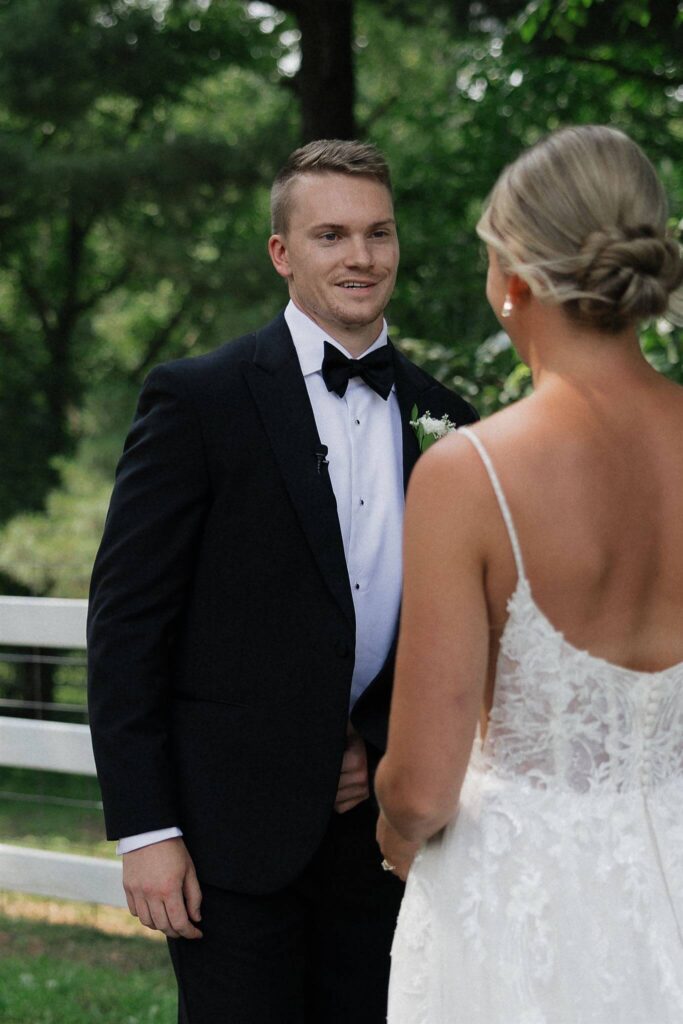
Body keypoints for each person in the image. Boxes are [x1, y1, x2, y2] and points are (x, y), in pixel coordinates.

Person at [87, 139, 477, 1023]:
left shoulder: (450, 421)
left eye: (378, 234)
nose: (360, 257)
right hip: (229, 836)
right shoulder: (197, 400)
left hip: (383, 834)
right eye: (331, 235)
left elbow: (460, 630)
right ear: (281, 252)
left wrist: (375, 745)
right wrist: (147, 831)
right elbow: (127, 625)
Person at [375, 124, 683, 1023]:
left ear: (513, 279)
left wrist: (393, 822)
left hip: (523, 906)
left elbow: (425, 785)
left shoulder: (471, 475)